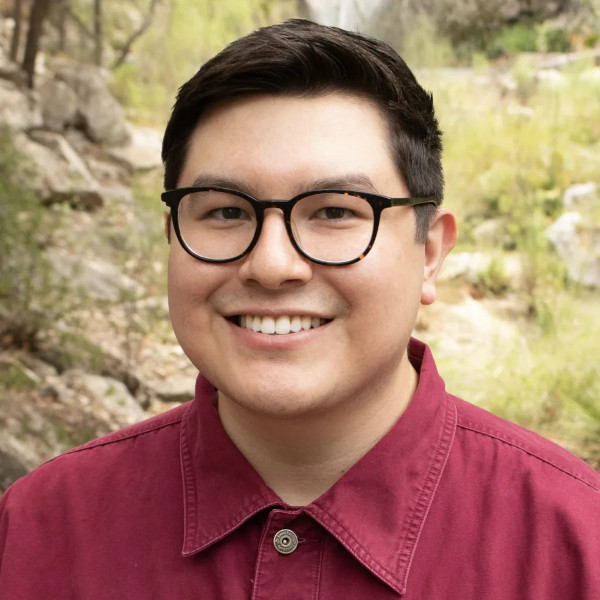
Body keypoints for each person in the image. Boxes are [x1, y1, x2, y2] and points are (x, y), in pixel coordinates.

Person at [1, 19, 598, 599]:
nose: (271, 264)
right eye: (225, 211)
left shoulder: (576, 544)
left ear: (430, 254)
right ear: (172, 237)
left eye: (335, 211)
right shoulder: (37, 531)